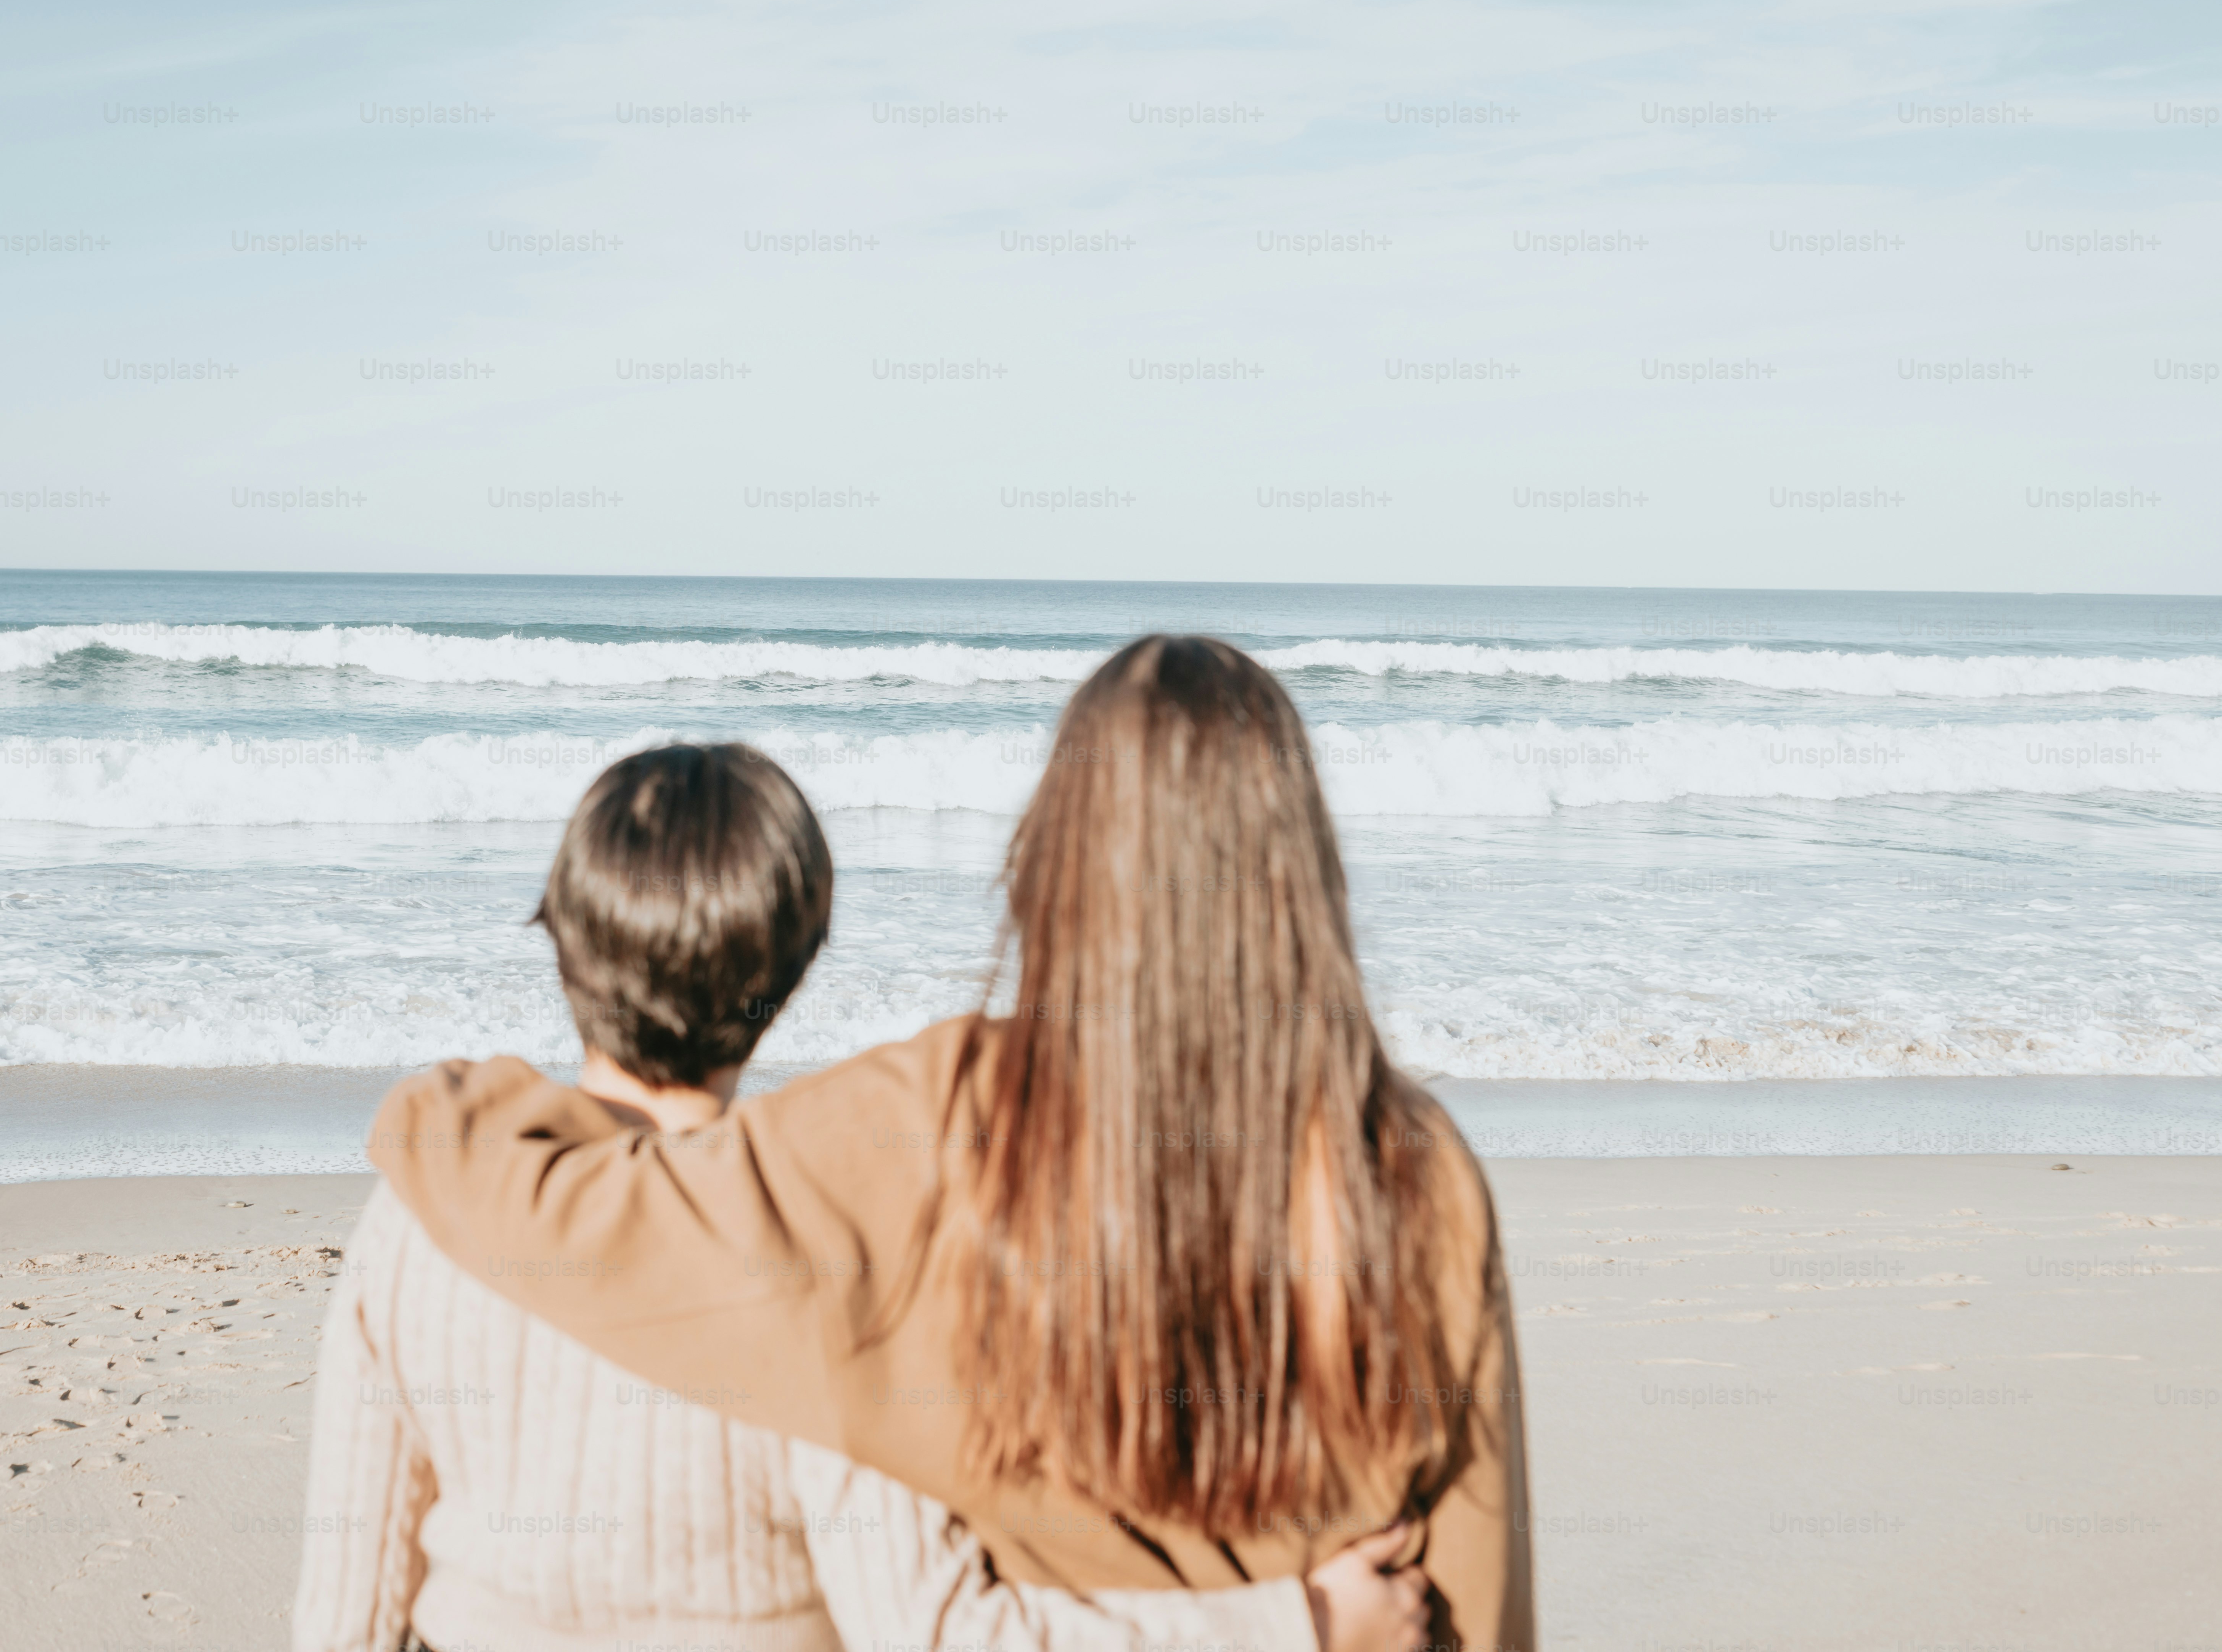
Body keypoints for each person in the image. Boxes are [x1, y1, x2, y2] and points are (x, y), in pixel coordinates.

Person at [369, 641, 1532, 1647]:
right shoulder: (1417, 1166)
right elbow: (1480, 1571)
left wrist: (441, 1117)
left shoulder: (945, 1112)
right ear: (1302, 870)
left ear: (1057, 858)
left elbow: (618, 1224)